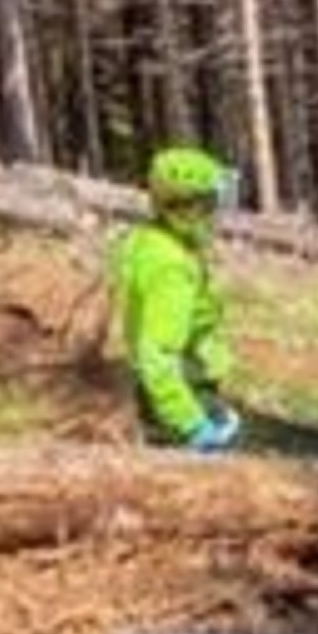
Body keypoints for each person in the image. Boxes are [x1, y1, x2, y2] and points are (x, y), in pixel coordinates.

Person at [114, 145, 242, 451]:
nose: (217, 216)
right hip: (182, 393)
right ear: (188, 209)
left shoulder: (152, 242)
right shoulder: (170, 269)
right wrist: (192, 424)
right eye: (212, 206)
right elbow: (157, 353)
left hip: (175, 390)